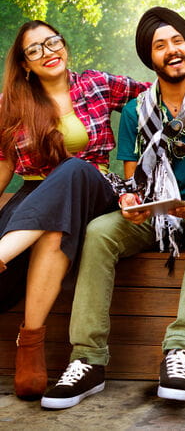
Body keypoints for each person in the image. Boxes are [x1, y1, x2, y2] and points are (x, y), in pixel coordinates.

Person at [40, 7, 185, 409]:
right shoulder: (136, 111)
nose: (172, 51)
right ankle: (88, 359)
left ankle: (180, 350)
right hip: (157, 216)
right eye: (160, 45)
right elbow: (135, 181)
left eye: (178, 41)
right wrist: (131, 203)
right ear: (151, 58)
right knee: (99, 231)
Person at [0, 20, 149, 400]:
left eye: (52, 42)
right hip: (35, 197)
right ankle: (29, 341)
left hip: (96, 187)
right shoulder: (11, 104)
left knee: (74, 168)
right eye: (35, 50)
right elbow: (3, 166)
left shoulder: (96, 83)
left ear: (64, 46)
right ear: (24, 64)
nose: (48, 52)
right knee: (54, 226)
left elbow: (160, 93)